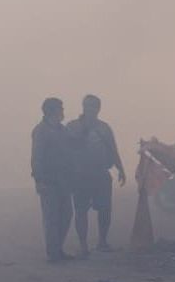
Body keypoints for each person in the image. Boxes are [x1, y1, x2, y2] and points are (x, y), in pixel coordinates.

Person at [67, 95, 126, 256]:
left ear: (98, 108)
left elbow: (113, 149)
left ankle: (102, 241)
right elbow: (67, 149)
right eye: (87, 106)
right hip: (80, 175)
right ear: (83, 107)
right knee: (80, 210)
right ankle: (83, 245)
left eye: (93, 106)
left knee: (105, 210)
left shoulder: (104, 128)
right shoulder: (73, 126)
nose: (90, 109)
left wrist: (121, 169)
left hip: (101, 174)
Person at [31, 97, 73, 262]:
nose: (63, 112)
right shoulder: (40, 131)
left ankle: (57, 248)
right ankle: (53, 253)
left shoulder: (62, 130)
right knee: (51, 217)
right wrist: (39, 179)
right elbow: (37, 158)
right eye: (60, 109)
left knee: (66, 215)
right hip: (48, 181)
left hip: (63, 181)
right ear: (52, 111)